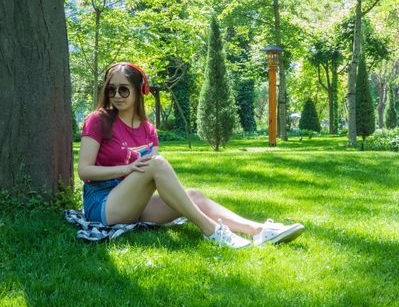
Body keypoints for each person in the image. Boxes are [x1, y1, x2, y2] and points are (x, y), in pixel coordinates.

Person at [78, 62, 304, 249]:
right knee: (156, 164)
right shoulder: (98, 120)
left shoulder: (148, 129)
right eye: (111, 89)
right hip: (103, 204)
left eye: (123, 89)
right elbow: (84, 171)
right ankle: (212, 231)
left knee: (193, 195)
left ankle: (259, 230)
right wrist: (125, 170)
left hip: (134, 202)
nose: (116, 95)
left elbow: (149, 181)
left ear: (139, 91)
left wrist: (142, 179)